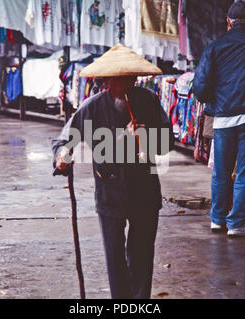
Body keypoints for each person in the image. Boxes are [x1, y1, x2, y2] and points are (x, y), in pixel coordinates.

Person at [52, 44, 174, 299]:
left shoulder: (149, 101)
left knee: (141, 256)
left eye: (128, 80)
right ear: (106, 81)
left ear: (135, 79)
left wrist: (145, 137)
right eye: (116, 81)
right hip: (110, 191)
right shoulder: (92, 106)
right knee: (115, 258)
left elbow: (167, 144)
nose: (122, 87)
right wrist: (63, 156)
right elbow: (65, 140)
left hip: (144, 192)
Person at [193, 1, 245, 237]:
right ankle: (236, 222)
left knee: (221, 172)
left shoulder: (215, 47)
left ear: (228, 22)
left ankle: (217, 220)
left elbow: (200, 87)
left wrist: (215, 100)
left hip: (224, 118)